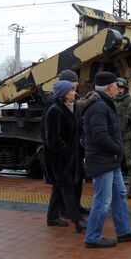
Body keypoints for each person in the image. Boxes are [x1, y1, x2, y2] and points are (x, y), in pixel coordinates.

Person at [80, 71, 131, 248]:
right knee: (102, 200)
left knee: (119, 194)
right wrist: (118, 149)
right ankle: (92, 237)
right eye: (116, 85)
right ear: (109, 87)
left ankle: (123, 231)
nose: (119, 88)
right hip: (104, 160)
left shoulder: (103, 103)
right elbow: (100, 136)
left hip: (111, 160)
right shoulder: (99, 107)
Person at [44, 80, 87, 233]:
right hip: (59, 159)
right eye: (71, 91)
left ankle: (52, 217)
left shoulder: (73, 108)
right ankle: (78, 220)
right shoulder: (54, 110)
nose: (74, 93)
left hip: (72, 156)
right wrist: (65, 151)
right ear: (63, 94)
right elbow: (52, 139)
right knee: (67, 187)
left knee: (58, 187)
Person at [57, 70, 90, 215]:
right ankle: (65, 210)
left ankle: (76, 206)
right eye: (73, 86)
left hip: (76, 149)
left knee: (78, 178)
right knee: (66, 183)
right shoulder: (56, 103)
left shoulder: (71, 101)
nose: (75, 90)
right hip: (67, 151)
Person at [114, 78, 131, 199]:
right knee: (115, 164)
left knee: (130, 163)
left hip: (126, 138)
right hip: (114, 138)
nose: (119, 91)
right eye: (117, 88)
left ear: (125, 89)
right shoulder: (110, 101)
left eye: (121, 88)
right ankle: (115, 187)